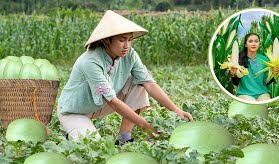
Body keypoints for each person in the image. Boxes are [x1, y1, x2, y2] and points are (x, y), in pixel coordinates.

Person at [57, 10, 193, 143]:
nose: (127, 45)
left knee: (139, 83)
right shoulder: (91, 61)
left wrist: (176, 110)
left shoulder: (130, 55)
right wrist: (146, 127)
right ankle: (73, 130)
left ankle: (124, 137)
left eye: (130, 40)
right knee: (93, 146)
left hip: (97, 106)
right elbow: (112, 101)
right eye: (122, 40)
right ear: (106, 40)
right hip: (74, 111)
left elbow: (149, 84)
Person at [229, 33, 279, 102]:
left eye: (256, 41)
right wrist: (233, 74)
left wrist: (274, 74)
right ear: (245, 44)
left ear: (259, 43)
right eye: (250, 41)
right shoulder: (238, 59)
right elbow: (235, 83)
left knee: (267, 105)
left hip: (262, 93)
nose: (254, 44)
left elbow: (267, 81)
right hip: (244, 94)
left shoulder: (265, 60)